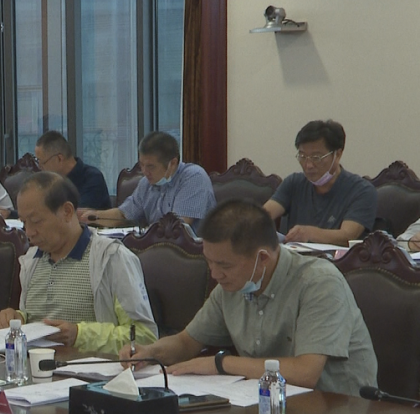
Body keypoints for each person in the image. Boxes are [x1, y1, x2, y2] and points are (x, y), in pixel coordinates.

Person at [123, 199, 377, 396]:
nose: (215, 274)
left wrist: (221, 364)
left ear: (262, 258)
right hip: (264, 405)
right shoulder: (232, 286)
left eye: (224, 265)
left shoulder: (319, 282)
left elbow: (306, 372)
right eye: (209, 262)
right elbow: (186, 342)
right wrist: (149, 352)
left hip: (337, 412)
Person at [0, 172, 157, 353]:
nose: (29, 232)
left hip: (90, 367)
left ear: (67, 211)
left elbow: (144, 336)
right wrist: (18, 318)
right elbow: (36, 317)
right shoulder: (31, 260)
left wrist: (80, 335)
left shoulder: (111, 258)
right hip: (36, 365)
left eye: (36, 221)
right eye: (24, 223)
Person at [264, 120, 376, 246]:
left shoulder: (361, 190)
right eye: (302, 156)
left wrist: (308, 233)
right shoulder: (294, 183)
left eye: (316, 158)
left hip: (337, 258)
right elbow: (262, 217)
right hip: (294, 257)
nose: (308, 165)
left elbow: (347, 236)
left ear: (337, 154)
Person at [81, 131, 216, 227]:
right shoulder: (146, 183)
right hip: (156, 250)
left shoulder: (193, 177)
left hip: (193, 254)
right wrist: (93, 216)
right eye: (142, 165)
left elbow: (177, 228)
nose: (144, 171)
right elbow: (123, 215)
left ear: (173, 163)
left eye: (151, 166)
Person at [35, 131, 110, 210]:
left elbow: (75, 214)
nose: (39, 167)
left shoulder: (93, 178)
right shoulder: (52, 182)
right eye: (37, 161)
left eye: (42, 163)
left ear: (59, 159)